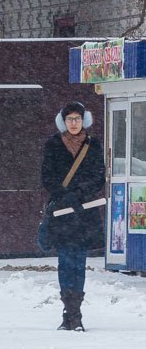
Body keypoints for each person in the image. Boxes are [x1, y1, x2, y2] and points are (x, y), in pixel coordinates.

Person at [41, 101, 106, 331]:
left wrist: (80, 193)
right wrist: (64, 193)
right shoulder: (53, 145)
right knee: (65, 262)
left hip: (84, 212)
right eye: (69, 119)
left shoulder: (93, 145)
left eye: (77, 118)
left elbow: (99, 176)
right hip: (63, 212)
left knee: (79, 262)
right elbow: (46, 177)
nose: (74, 123)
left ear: (84, 120)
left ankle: (75, 314)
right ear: (63, 122)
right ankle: (69, 312)